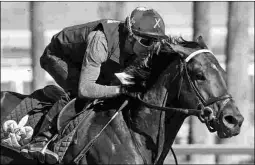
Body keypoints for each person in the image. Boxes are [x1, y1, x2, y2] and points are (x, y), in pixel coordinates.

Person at [20, 6, 168, 164]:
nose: (151, 47)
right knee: (78, 92)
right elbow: (86, 89)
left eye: (155, 42)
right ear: (131, 36)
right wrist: (120, 89)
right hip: (58, 57)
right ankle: (40, 140)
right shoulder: (101, 40)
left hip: (91, 62)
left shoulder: (136, 48)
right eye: (147, 42)